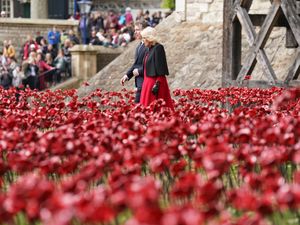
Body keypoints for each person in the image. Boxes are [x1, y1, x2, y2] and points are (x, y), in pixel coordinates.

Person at [139, 26, 174, 110]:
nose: (142, 41)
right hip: (147, 84)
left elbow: (161, 69)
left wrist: (157, 85)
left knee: (157, 110)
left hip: (155, 84)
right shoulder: (149, 49)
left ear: (149, 38)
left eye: (144, 38)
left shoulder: (158, 48)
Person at [120, 21, 148, 103]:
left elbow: (150, 66)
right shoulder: (139, 46)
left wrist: (139, 71)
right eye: (135, 30)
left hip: (145, 84)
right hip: (139, 84)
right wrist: (127, 75)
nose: (135, 32)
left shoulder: (149, 46)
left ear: (144, 30)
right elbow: (136, 64)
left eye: (137, 30)